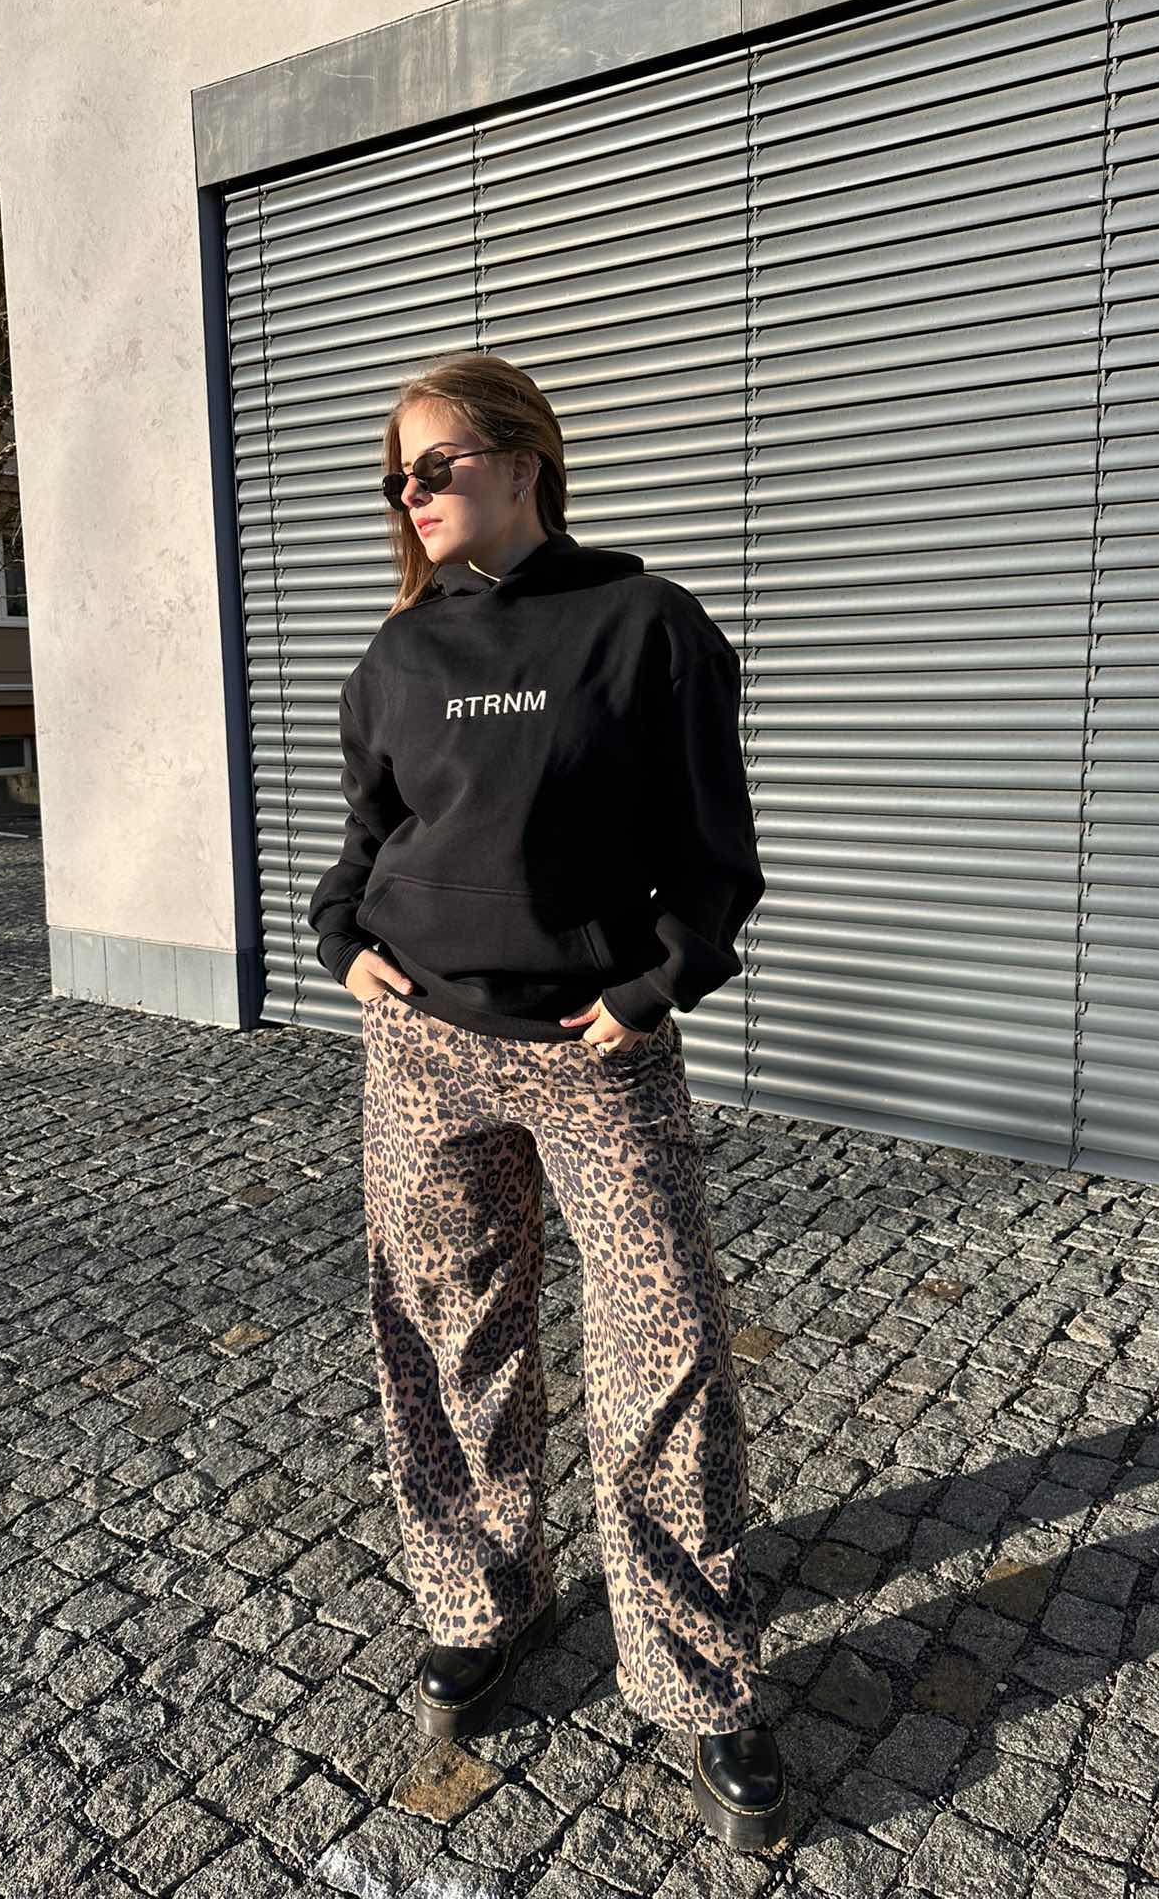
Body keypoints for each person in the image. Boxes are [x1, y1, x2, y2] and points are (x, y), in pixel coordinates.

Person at [307, 351, 788, 1853]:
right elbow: (368, 836)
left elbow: (715, 847)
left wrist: (656, 987)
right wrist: (340, 940)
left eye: (433, 465)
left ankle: (693, 1673)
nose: (410, 494)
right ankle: (484, 1599)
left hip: (596, 1053)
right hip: (422, 1052)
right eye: (395, 477)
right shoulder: (398, 655)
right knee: (448, 1336)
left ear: (524, 461)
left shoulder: (647, 626)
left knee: (668, 1353)